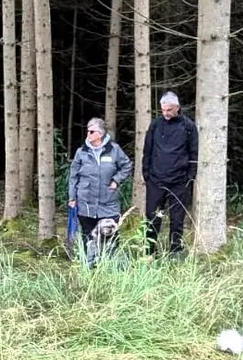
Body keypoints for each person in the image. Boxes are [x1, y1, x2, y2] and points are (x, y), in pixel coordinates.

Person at [67, 118, 133, 265]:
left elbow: (127, 166)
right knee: (88, 237)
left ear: (101, 133)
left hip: (108, 203)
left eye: (92, 131)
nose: (88, 134)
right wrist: (72, 198)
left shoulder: (114, 150)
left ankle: (111, 267)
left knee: (111, 237)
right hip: (86, 203)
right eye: (87, 131)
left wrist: (116, 180)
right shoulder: (81, 152)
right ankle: (89, 267)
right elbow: (73, 176)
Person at [141, 91, 198, 257]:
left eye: (169, 110)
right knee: (152, 217)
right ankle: (149, 251)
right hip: (156, 180)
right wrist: (147, 174)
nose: (165, 113)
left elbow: (194, 154)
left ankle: (175, 251)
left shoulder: (188, 126)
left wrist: (190, 177)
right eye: (163, 110)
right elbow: (147, 151)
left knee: (177, 219)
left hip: (180, 182)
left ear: (177, 108)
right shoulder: (155, 125)